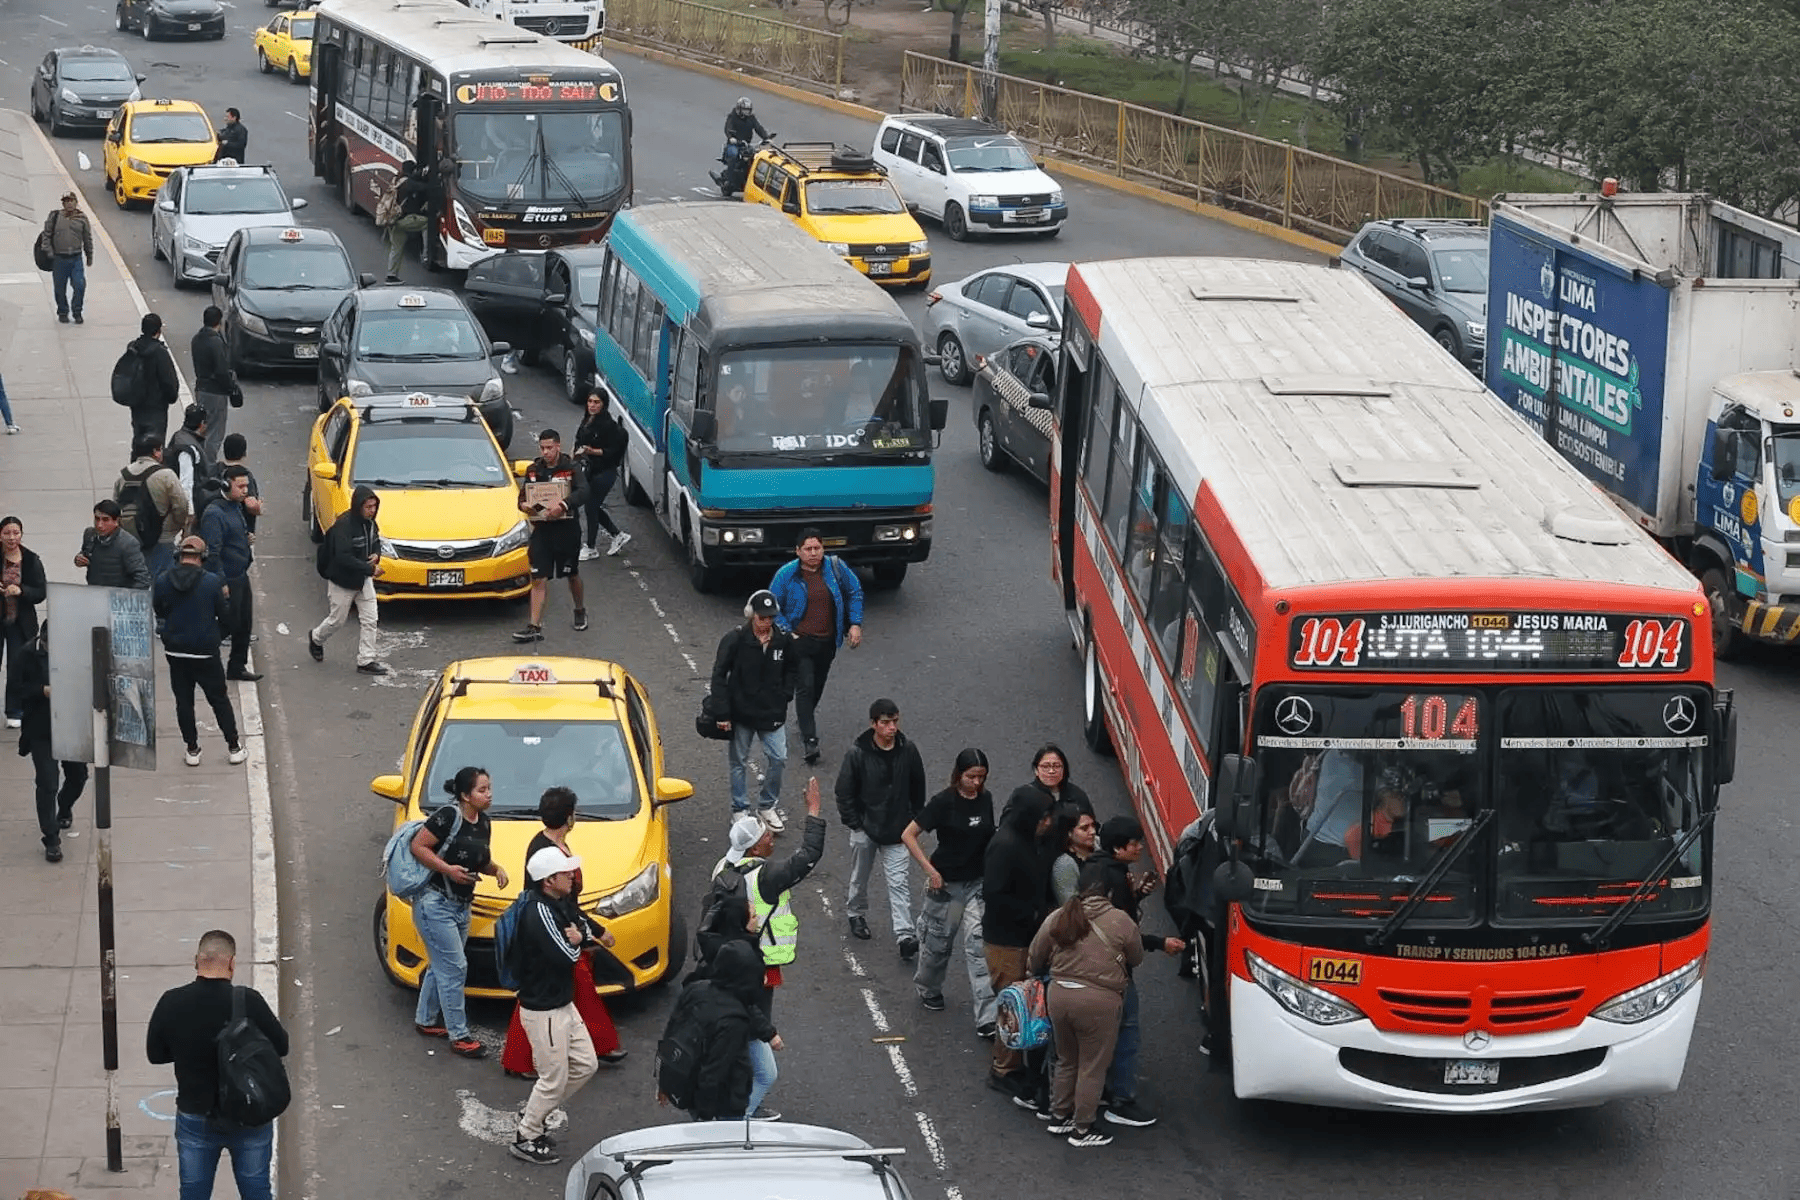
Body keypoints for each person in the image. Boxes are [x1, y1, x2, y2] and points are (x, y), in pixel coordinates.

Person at [705, 775, 825, 1120]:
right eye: (768, 837)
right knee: (753, 1026)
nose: (773, 840)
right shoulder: (766, 877)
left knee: (739, 1028)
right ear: (756, 847)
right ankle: (739, 1112)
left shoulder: (723, 868)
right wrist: (813, 811)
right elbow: (809, 856)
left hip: (729, 961)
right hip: (756, 965)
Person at [145, 929, 288, 1200]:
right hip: (249, 1114)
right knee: (256, 1190)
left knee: (193, 1193)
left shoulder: (171, 1001)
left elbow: (155, 1054)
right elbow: (282, 1046)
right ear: (232, 963)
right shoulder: (249, 1001)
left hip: (195, 1115)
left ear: (196, 961)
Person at [500, 787, 627, 1081]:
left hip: (564, 924)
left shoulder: (549, 845)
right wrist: (597, 930)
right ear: (570, 817)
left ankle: (600, 1045)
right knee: (544, 990)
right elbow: (561, 902)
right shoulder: (546, 852)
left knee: (575, 984)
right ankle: (519, 1059)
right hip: (554, 928)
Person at [1078, 816, 1186, 1129]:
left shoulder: (1094, 870)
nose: (1140, 847)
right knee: (1126, 1031)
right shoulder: (1113, 877)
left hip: (1085, 969)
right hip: (1113, 971)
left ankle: (1093, 1091)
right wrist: (1160, 942)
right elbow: (1122, 933)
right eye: (1135, 843)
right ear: (1118, 848)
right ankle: (1121, 1099)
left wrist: (1136, 894)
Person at [1027, 883, 1146, 1148]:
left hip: (1059, 995)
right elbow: (1136, 957)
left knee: (1066, 1059)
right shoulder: (1120, 920)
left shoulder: (1059, 916)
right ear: (1109, 896)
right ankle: (1082, 1129)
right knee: (1092, 1066)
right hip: (1099, 1000)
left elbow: (1035, 956)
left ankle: (1059, 1116)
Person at [410, 766, 509, 1060]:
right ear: (465, 795)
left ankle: (426, 1020)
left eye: (489, 788)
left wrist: (496, 870)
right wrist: (448, 870)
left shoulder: (485, 823)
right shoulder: (448, 816)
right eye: (482, 790)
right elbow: (419, 846)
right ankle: (459, 1035)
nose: (489, 794)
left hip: (462, 906)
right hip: (434, 904)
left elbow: (480, 860)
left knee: (440, 965)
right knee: (454, 968)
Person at [510, 845, 600, 1166]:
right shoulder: (539, 913)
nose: (571, 876)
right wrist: (576, 941)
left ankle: (535, 1111)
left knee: (586, 1065)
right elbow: (568, 955)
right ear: (548, 881)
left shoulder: (554, 903)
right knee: (553, 1078)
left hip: (560, 1003)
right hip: (544, 1010)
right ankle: (527, 1134)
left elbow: (582, 930)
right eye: (565, 873)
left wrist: (581, 935)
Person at [903, 748, 998, 1035]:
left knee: (979, 947)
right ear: (959, 774)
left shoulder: (986, 800)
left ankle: (987, 1018)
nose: (977, 783)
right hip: (948, 889)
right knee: (939, 945)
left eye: (981, 777)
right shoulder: (943, 802)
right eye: (971, 777)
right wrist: (930, 871)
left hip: (976, 887)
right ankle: (928, 987)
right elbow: (908, 834)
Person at [837, 698, 927, 955]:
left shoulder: (908, 750)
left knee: (899, 883)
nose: (892, 728)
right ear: (873, 724)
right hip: (866, 829)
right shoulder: (857, 753)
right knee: (860, 877)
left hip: (897, 832)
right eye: (886, 723)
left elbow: (917, 787)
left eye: (895, 722)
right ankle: (856, 913)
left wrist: (912, 821)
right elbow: (844, 791)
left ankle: (905, 936)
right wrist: (856, 824)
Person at [657, 939, 781, 1121]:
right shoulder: (735, 1019)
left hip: (690, 1085)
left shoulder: (695, 989)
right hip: (724, 1105)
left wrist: (664, 1083)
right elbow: (714, 1073)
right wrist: (707, 1120)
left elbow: (671, 1034)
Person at [769, 529, 864, 765]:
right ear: (798, 551)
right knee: (806, 686)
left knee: (817, 687)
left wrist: (854, 624)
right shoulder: (786, 575)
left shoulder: (835, 568)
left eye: (817, 548)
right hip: (800, 642)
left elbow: (854, 592)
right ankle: (810, 740)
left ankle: (804, 720)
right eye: (808, 549)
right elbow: (772, 605)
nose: (813, 553)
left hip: (827, 642)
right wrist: (788, 633)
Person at [982, 789, 1055, 1095]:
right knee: (1012, 1002)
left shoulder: (1023, 839)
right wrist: (1032, 912)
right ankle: (1004, 1068)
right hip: (1006, 940)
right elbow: (994, 895)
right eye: (1044, 817)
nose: (1048, 823)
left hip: (1022, 935)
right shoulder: (1006, 846)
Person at [153, 535, 245, 769]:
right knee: (219, 700)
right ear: (203, 557)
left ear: (178, 556)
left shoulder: (163, 581)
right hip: (205, 652)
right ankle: (233, 746)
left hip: (176, 652)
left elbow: (159, 610)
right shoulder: (212, 582)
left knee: (184, 702)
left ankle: (192, 749)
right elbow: (227, 618)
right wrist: (215, 636)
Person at [710, 589, 797, 830]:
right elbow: (719, 675)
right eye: (762, 617)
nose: (766, 622)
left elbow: (792, 669)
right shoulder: (735, 639)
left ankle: (767, 804)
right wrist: (723, 713)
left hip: (772, 714)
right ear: (751, 615)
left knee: (778, 758)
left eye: (770, 617)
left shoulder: (784, 640)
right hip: (742, 714)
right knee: (738, 761)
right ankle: (740, 808)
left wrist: (785, 695)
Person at [17, 622, 87, 862]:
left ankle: (65, 805)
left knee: (78, 776)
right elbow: (17, 689)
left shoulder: (76, 652)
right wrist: (42, 690)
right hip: (41, 727)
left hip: (69, 724)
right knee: (47, 782)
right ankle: (51, 838)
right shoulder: (27, 653)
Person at [513, 428, 590, 642]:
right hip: (541, 531)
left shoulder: (572, 468)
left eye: (550, 448)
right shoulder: (533, 470)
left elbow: (584, 491)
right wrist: (525, 505)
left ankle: (579, 609)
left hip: (567, 531)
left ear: (558, 446)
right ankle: (534, 626)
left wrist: (564, 504)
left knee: (571, 574)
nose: (546, 452)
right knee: (538, 577)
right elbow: (522, 497)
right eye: (542, 448)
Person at [309, 485, 387, 675]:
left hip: (363, 579)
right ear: (358, 506)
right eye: (368, 507)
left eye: (374, 506)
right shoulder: (343, 527)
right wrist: (370, 568)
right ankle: (316, 638)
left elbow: (376, 542)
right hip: (342, 582)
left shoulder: (370, 524)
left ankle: (366, 660)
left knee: (370, 619)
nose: (372, 511)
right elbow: (342, 557)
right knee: (337, 620)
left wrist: (376, 555)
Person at [198, 467, 260, 682]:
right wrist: (221, 582)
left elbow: (236, 534)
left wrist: (246, 538)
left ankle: (237, 667)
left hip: (241, 574)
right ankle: (198, 658)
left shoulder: (236, 507)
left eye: (246, 486)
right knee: (226, 624)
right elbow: (212, 552)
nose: (245, 491)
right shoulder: (214, 513)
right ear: (226, 485)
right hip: (228, 579)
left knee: (244, 624)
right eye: (240, 486)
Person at [115, 436, 190, 580]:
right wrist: (174, 528)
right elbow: (181, 506)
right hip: (162, 537)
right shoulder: (165, 475)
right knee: (162, 581)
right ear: (156, 452)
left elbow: (116, 506)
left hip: (131, 538)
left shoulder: (123, 475)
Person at [573, 385, 631, 560]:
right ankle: (617, 534)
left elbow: (612, 451)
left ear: (603, 404)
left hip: (605, 472)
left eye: (596, 402)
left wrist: (591, 451)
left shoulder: (608, 426)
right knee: (593, 506)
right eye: (590, 401)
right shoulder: (587, 420)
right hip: (590, 470)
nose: (592, 405)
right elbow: (578, 440)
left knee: (591, 507)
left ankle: (590, 547)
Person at [0, 516, 46, 729]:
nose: (11, 537)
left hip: (20, 621)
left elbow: (41, 591)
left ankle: (14, 709)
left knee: (16, 666)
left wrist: (21, 590)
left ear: (21, 534)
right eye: (7, 533)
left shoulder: (31, 559)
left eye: (15, 533)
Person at [124, 313, 181, 444]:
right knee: (155, 445)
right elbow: (168, 381)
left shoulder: (133, 348)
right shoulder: (160, 353)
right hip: (156, 408)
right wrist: (171, 397)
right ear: (158, 331)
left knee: (138, 440)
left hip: (137, 406)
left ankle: (137, 463)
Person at [191, 306, 239, 463]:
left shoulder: (197, 339)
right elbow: (221, 370)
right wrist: (231, 388)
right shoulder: (216, 342)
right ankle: (208, 466)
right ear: (219, 321)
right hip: (215, 392)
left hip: (201, 388)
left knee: (204, 428)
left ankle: (202, 462)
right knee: (214, 433)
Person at [1004, 743, 1093, 822]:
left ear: (1064, 769)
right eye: (1045, 766)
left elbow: (1091, 824)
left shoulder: (1077, 795)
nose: (1051, 771)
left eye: (1057, 766)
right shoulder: (1023, 795)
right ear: (1036, 771)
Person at [75, 500, 151, 590]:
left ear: (116, 521)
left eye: (105, 520)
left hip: (118, 594)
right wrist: (79, 559)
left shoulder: (128, 543)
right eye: (97, 519)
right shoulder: (90, 535)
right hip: (95, 592)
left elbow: (142, 578)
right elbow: (85, 552)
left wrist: (128, 598)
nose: (99, 525)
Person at [44, 189, 93, 325]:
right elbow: (46, 235)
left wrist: (89, 255)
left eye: (71, 201)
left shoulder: (82, 219)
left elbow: (87, 238)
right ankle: (63, 312)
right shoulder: (55, 217)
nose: (69, 204)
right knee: (59, 288)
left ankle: (77, 311)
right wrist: (48, 251)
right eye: (66, 202)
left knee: (79, 285)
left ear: (76, 202)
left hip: (76, 258)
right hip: (59, 258)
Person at [385, 159, 431, 280]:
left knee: (396, 248)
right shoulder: (410, 183)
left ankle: (391, 276)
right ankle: (426, 255)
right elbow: (426, 187)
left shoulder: (397, 180)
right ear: (413, 170)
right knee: (427, 223)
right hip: (403, 220)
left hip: (392, 220)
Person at [166, 403, 213, 512]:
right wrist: (189, 511)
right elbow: (186, 482)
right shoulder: (188, 448)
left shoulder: (179, 436)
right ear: (202, 424)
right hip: (191, 502)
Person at [1049, 803, 1099, 905]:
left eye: (1093, 825)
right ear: (1069, 833)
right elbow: (1070, 906)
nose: (1093, 832)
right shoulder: (1064, 865)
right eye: (1084, 828)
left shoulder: (1098, 843)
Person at [219, 433, 262, 538]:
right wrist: (259, 507)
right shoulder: (243, 475)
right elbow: (251, 505)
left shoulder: (215, 470)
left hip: (218, 526)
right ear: (244, 453)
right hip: (241, 532)